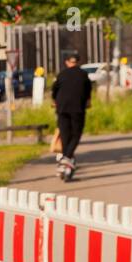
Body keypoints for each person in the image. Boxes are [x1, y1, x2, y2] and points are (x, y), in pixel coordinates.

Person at [51, 53, 92, 181]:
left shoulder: (62, 74)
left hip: (62, 109)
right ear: (78, 62)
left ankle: (65, 162)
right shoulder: (83, 75)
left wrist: (55, 101)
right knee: (76, 135)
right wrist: (87, 102)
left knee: (65, 136)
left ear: (67, 62)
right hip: (77, 109)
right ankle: (66, 159)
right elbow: (88, 91)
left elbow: (54, 90)